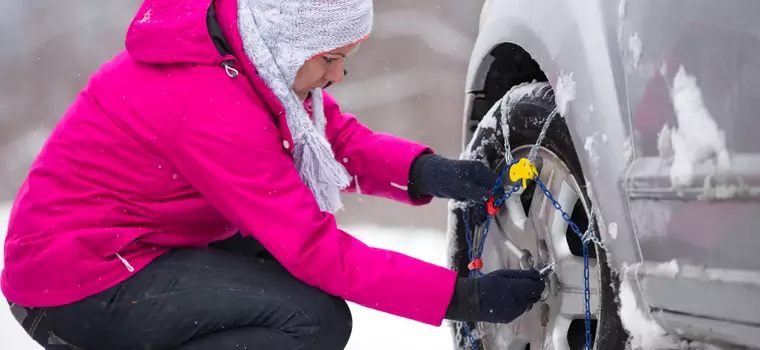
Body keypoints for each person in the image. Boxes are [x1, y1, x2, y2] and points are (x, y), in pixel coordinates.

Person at [1, 0, 546, 349]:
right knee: (311, 323)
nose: (339, 75)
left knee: (305, 302)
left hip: (136, 245)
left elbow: (335, 141)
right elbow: (315, 249)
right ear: (290, 45)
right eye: (331, 58)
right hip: (74, 283)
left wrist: (429, 172)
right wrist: (462, 298)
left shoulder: (247, 59)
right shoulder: (207, 102)